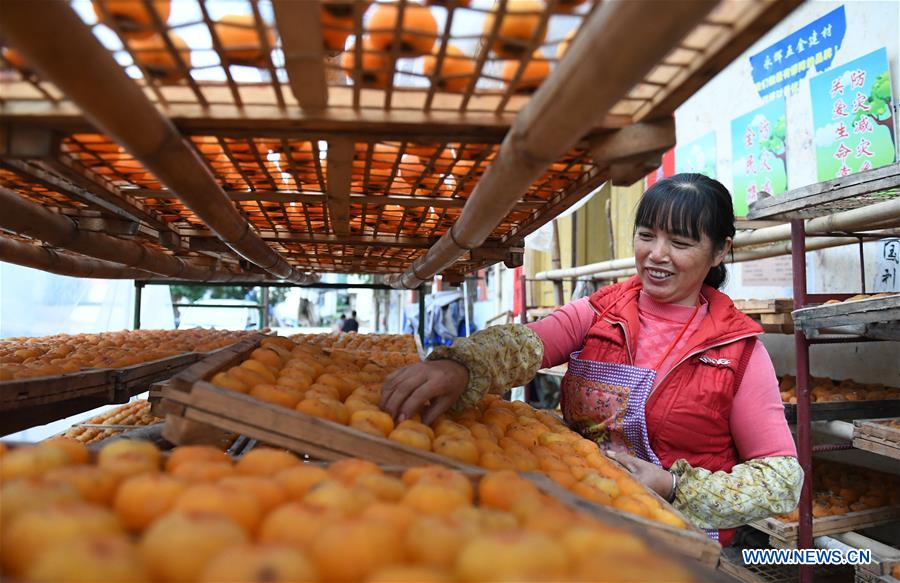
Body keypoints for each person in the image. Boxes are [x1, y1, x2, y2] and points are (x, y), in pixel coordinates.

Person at [381, 174, 802, 545]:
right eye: (646, 235)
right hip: (575, 521)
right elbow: (526, 344)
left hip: (675, 542)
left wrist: (674, 486)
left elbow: (781, 482)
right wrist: (461, 365)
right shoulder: (602, 311)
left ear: (719, 251)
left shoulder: (738, 351)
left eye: (680, 242)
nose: (656, 254)